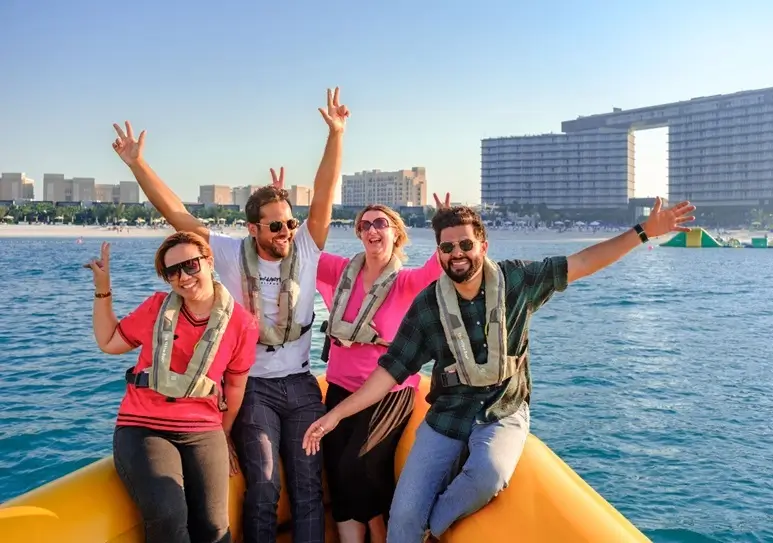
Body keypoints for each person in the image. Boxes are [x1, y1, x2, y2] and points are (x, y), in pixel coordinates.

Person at [302, 198, 696, 542]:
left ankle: (430, 527)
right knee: (401, 518)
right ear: (438, 253)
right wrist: (334, 415)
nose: (457, 253)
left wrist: (644, 231)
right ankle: (416, 528)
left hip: (503, 411)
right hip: (447, 416)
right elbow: (388, 373)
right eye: (448, 247)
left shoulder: (517, 281)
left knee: (487, 475)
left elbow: (584, 261)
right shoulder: (427, 306)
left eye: (466, 245)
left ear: (483, 245)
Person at [110, 87, 349, 543]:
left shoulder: (306, 246)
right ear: (253, 227)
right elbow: (177, 214)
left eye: (289, 223)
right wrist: (137, 164)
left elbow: (324, 194)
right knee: (262, 484)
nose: (285, 232)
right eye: (275, 225)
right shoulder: (224, 253)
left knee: (306, 482)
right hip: (253, 386)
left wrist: (336, 134)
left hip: (300, 384)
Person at [85, 233, 259, 543]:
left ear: (209, 261)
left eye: (191, 265)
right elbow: (108, 342)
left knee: (214, 528)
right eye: (172, 272)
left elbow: (235, 387)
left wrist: (225, 434)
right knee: (170, 517)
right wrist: (102, 290)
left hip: (203, 430)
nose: (183, 277)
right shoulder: (155, 308)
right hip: (144, 428)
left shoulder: (242, 324)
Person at [313, 194, 449, 543]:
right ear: (359, 233)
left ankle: (379, 528)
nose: (372, 230)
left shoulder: (405, 283)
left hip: (388, 393)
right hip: (341, 389)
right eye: (365, 225)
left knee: (356, 465)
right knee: (336, 469)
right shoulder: (341, 272)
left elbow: (438, 268)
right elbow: (304, 252)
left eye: (381, 223)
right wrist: (281, 207)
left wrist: (443, 221)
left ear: (396, 235)